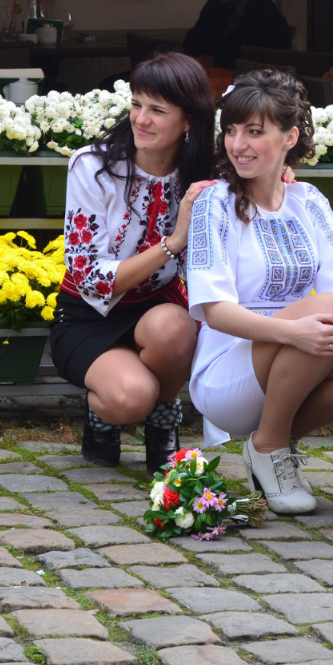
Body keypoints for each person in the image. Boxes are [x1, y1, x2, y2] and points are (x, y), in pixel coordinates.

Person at [185, 69, 333, 514]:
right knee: (325, 313)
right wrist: (294, 333)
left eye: (255, 132)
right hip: (227, 369)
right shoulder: (213, 203)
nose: (238, 144)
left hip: (299, 354)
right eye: (232, 131)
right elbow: (214, 311)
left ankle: (269, 444)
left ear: (290, 137)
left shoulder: (309, 201)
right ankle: (272, 444)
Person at [50, 53, 218, 474]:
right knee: (129, 399)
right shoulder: (93, 166)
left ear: (189, 121)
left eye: (158, 110)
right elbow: (88, 277)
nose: (141, 119)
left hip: (155, 311)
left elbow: (257, 177)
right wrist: (172, 243)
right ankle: (103, 415)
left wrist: (281, 174)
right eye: (137, 104)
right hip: (87, 315)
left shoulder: (202, 175)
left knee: (177, 326)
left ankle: (164, 421)